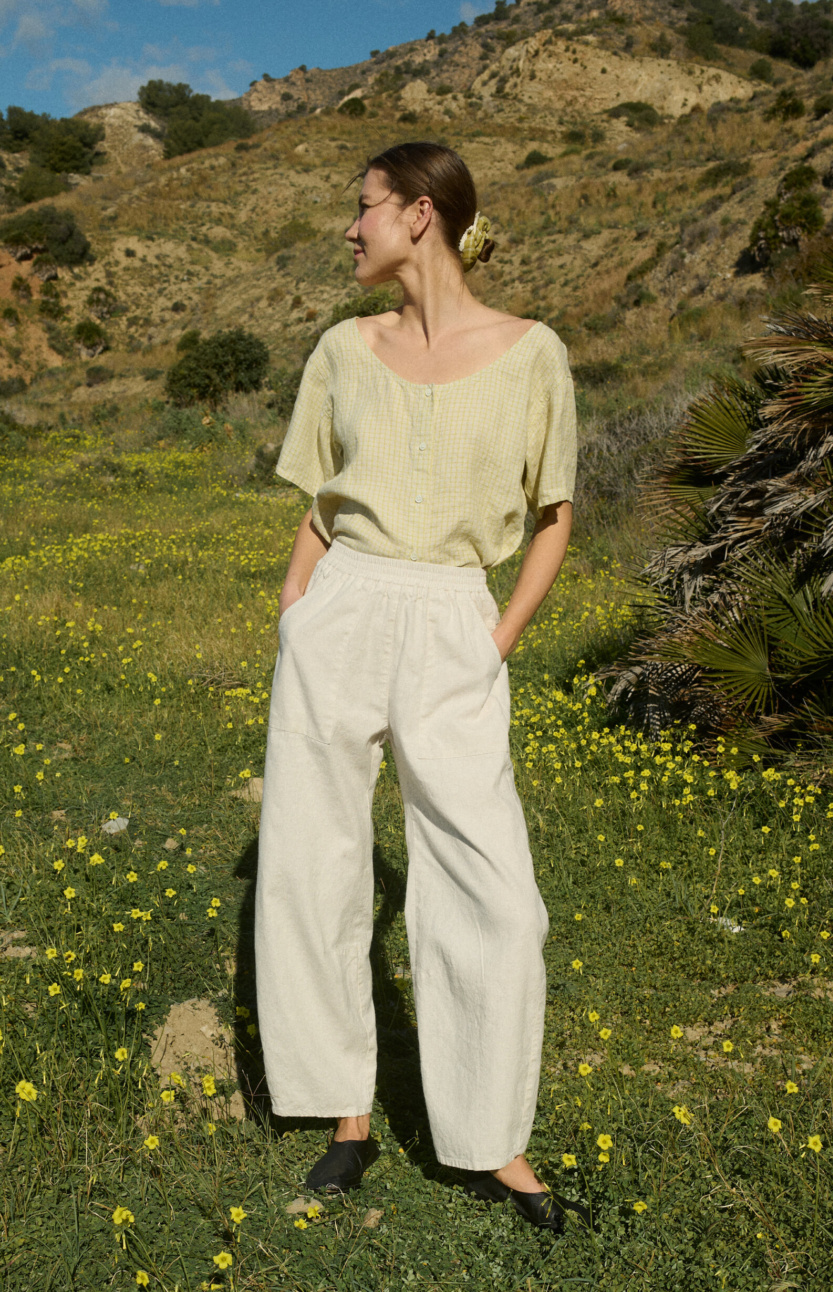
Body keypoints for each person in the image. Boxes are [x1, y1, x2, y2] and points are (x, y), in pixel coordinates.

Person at [255, 141, 578, 1233]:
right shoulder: (343, 349)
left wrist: (494, 641)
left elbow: (552, 517)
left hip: (453, 617)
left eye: (364, 209)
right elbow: (315, 502)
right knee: (315, 863)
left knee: (493, 886)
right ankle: (347, 1110)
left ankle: (496, 1138)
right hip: (341, 607)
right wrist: (298, 614)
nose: (349, 229)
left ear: (421, 215)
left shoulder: (533, 353)